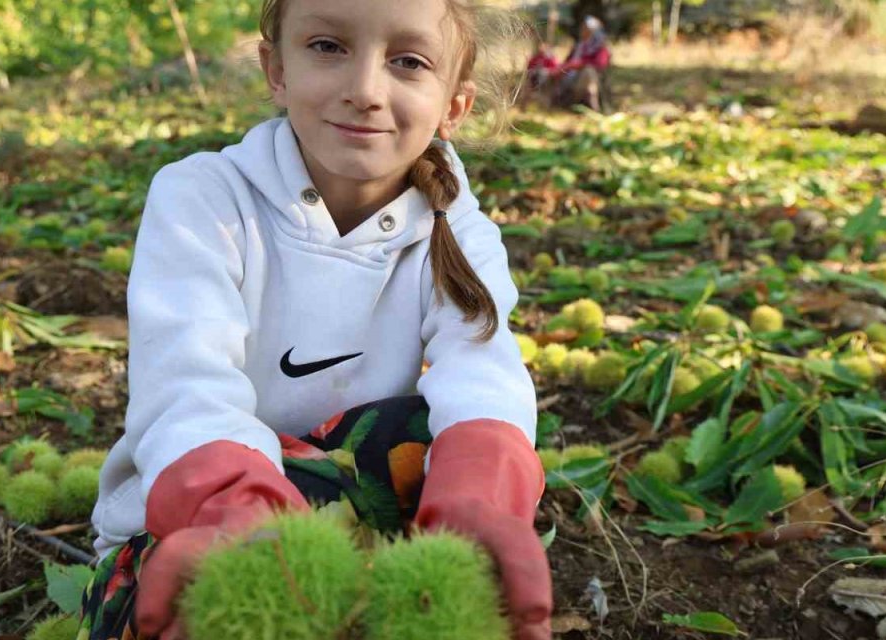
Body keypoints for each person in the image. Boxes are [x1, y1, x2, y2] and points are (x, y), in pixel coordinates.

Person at [77, 1, 551, 639]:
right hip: (208, 510)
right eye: (328, 47)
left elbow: (483, 373)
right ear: (276, 69)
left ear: (453, 108)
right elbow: (185, 386)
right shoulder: (202, 198)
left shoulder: (459, 230)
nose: (364, 91)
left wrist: (480, 497)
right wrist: (233, 509)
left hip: (360, 499)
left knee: (434, 426)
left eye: (408, 61)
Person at [555, 16, 611, 112]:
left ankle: (593, 107)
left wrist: (579, 65)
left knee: (588, 72)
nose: (582, 30)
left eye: (585, 28)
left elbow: (600, 64)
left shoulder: (600, 47)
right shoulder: (579, 45)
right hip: (569, 76)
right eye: (582, 28)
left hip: (584, 79)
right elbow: (568, 61)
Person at [520, 41, 560, 109]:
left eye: (544, 47)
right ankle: (524, 105)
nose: (542, 49)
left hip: (545, 79)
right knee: (528, 86)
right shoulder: (536, 58)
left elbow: (555, 69)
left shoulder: (551, 59)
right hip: (533, 78)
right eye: (541, 47)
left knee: (542, 74)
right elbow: (529, 67)